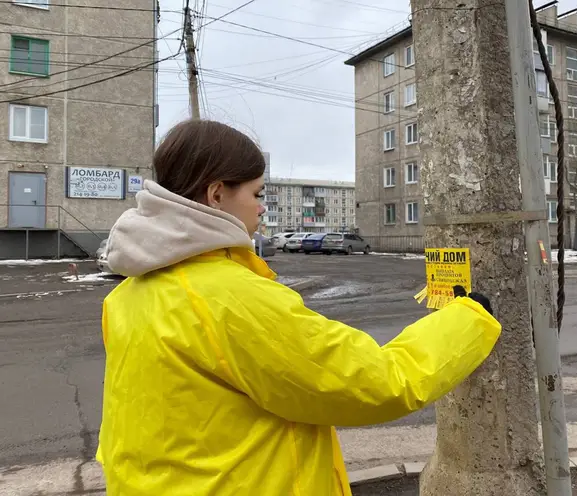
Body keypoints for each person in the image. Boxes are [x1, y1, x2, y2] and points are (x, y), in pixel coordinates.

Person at [96, 120, 502, 496]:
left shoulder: (127, 295)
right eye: (256, 194)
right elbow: (374, 383)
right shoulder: (230, 298)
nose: (262, 208)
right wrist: (467, 320)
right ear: (217, 194)